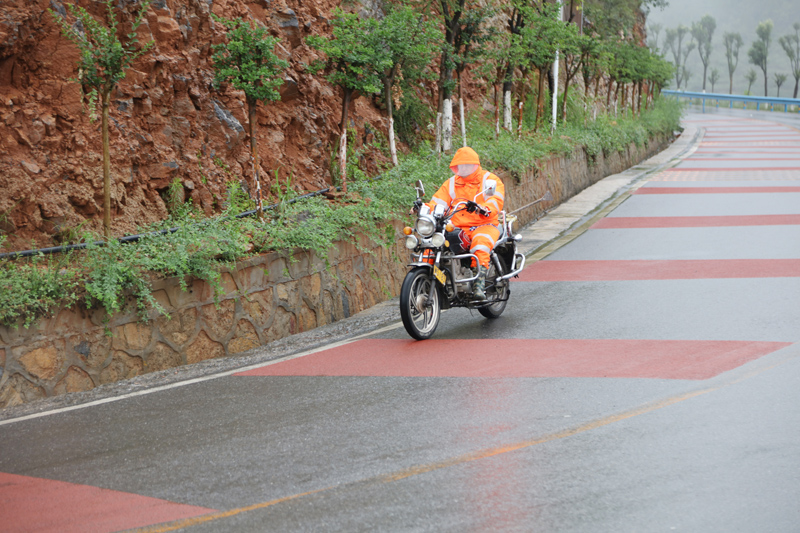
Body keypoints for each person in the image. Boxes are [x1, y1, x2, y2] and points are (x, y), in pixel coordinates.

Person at [423, 146, 505, 299]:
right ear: (456, 167)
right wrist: (424, 208)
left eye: (468, 165)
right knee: (432, 244)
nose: (465, 168)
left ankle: (478, 284)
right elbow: (438, 202)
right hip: (456, 225)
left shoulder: (490, 180)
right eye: (461, 165)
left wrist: (483, 208)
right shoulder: (451, 183)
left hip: (484, 224)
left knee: (480, 244)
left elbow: (496, 200)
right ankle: (426, 277)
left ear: (475, 164)